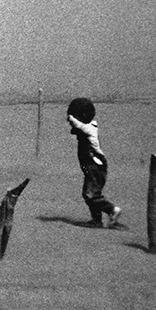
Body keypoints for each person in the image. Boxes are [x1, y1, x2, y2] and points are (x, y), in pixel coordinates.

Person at [66, 97, 122, 227]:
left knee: (90, 195)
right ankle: (97, 221)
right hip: (90, 166)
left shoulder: (90, 128)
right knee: (93, 194)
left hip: (96, 165)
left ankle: (112, 210)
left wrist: (71, 117)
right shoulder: (84, 128)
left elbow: (79, 126)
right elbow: (75, 129)